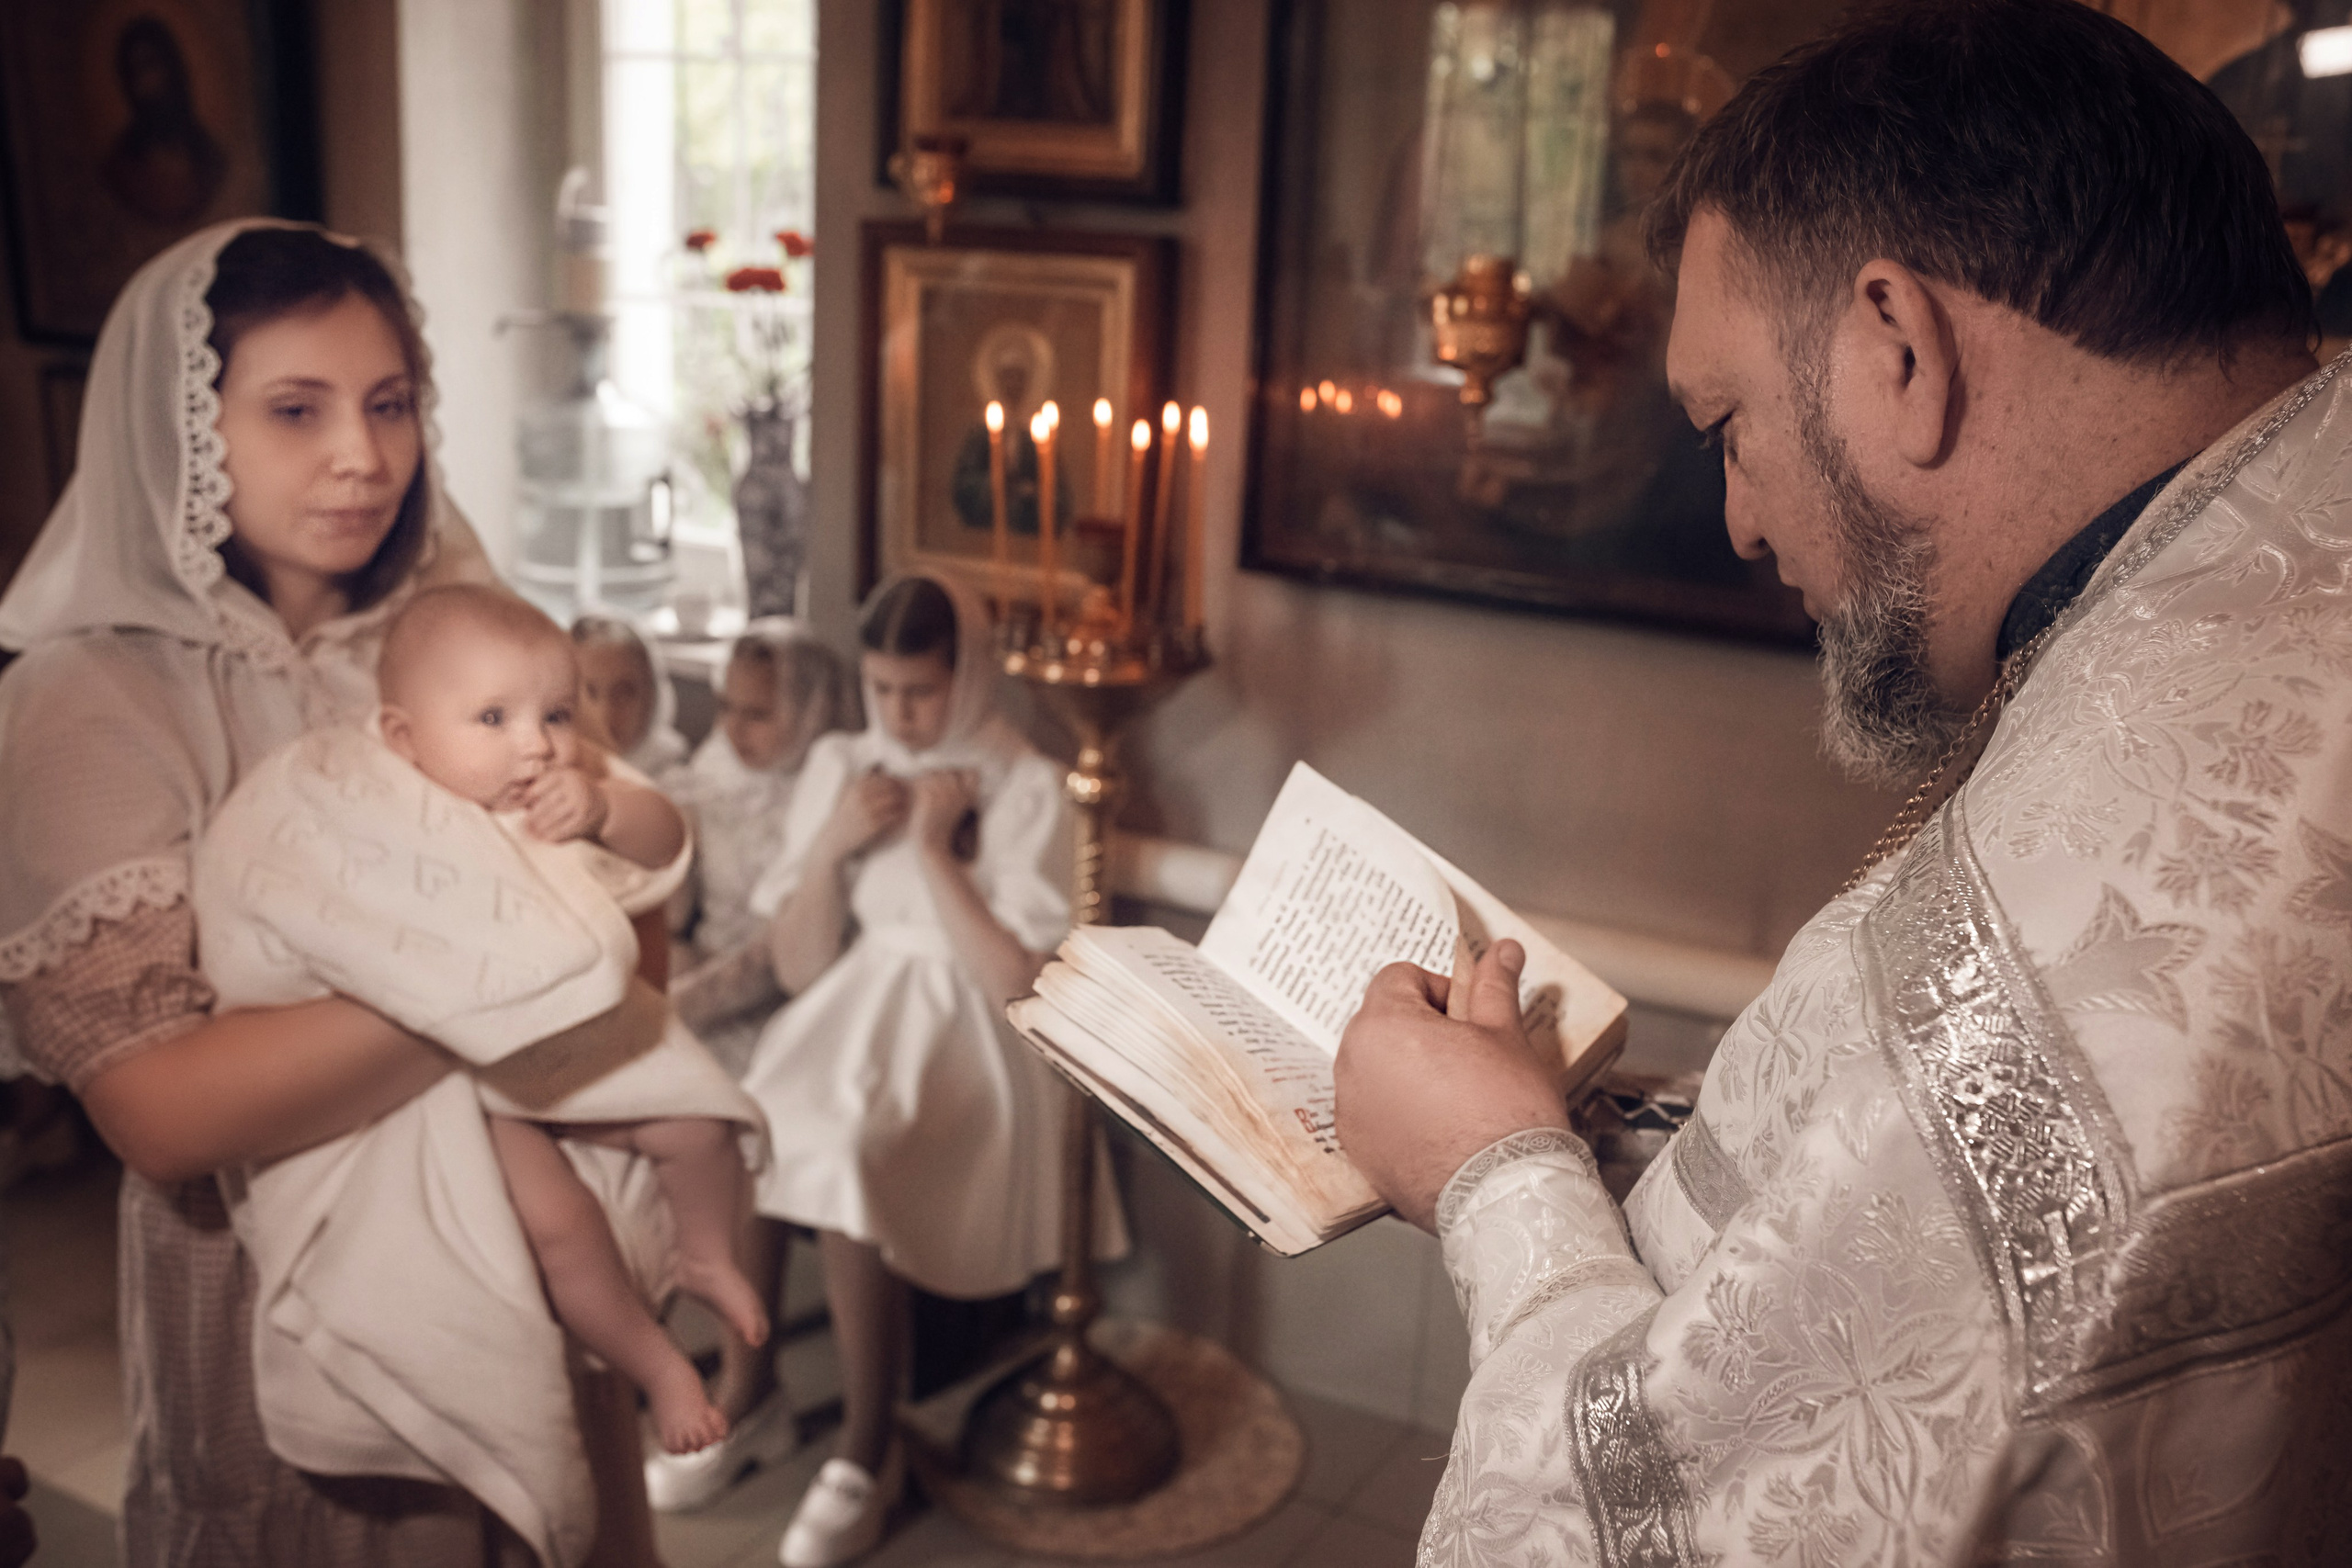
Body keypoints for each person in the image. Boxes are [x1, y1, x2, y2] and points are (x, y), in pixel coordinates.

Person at [1332, 3, 2352, 1562]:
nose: (1741, 520)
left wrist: (1491, 1172)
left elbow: (1620, 1528)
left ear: (1896, 348)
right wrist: (1615, 1129)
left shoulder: (2093, 927)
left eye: (1729, 427)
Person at [0, 221, 660, 1564]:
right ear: (184, 426)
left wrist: (574, 928)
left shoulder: (445, 636)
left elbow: (634, 898)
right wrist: (513, 969)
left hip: (518, 1220)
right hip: (266, 1272)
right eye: (294, 408)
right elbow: (166, 1107)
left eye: (390, 402)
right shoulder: (94, 696)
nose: (361, 454)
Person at [738, 573, 1103, 1567]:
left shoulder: (1027, 783)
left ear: (969, 674)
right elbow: (799, 966)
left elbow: (1013, 983)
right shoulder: (846, 763)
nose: (898, 716)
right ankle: (745, 1394)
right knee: (750, 1111)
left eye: (921, 691)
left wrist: (938, 855)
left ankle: (868, 1447)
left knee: (853, 1146)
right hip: (854, 1003)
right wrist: (831, 848)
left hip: (973, 1030)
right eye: (881, 689)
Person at [640, 618, 847, 1510]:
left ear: (807, 711)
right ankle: (630, 1346)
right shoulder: (698, 782)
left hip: (790, 1003)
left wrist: (678, 1005)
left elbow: (778, 957)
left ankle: (746, 1386)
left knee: (733, 1124)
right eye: (726, 707)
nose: (736, 729)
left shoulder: (828, 797)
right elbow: (675, 916)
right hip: (707, 986)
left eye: (759, 713)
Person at [572, 615, 690, 784]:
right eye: (589, 693)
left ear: (650, 695)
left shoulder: (676, 781)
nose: (605, 711)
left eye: (624, 693)